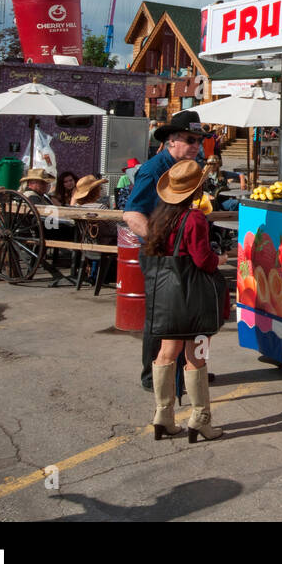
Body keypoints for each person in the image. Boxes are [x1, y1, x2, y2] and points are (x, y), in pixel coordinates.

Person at [143, 159, 224, 442]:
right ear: (196, 190)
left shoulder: (159, 218)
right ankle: (199, 419)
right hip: (195, 298)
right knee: (197, 355)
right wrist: (221, 259)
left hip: (168, 298)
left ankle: (163, 415)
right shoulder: (194, 219)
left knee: (166, 353)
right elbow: (204, 260)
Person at [125, 110, 205, 390]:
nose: (196, 145)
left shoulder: (192, 166)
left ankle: (190, 370)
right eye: (190, 139)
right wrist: (160, 243)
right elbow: (132, 215)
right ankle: (152, 376)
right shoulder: (153, 169)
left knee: (187, 316)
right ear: (172, 141)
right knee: (161, 318)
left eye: (200, 140)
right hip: (160, 255)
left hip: (181, 254)